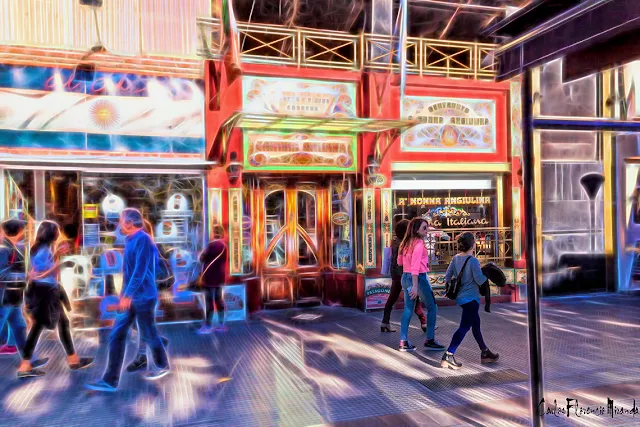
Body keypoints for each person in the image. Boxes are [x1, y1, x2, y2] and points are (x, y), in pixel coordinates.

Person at [87, 208, 170, 392]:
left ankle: (162, 365)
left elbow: (139, 272)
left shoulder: (143, 240)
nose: (118, 225)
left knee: (148, 334)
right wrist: (124, 295)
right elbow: (129, 272)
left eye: (121, 221)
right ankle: (110, 380)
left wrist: (127, 295)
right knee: (117, 335)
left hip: (143, 297)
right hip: (131, 298)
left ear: (129, 223)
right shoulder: (129, 240)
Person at [18, 220, 94, 378]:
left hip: (44, 291)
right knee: (38, 327)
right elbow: (42, 273)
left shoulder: (39, 248)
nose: (59, 233)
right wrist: (60, 261)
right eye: (56, 230)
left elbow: (40, 268)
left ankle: (73, 359)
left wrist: (56, 254)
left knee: (62, 323)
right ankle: (25, 366)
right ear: (51, 233)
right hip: (46, 292)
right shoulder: (44, 249)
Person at [441, 232, 499, 370]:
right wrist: (488, 273)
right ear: (472, 244)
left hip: (461, 297)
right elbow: (479, 279)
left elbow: (447, 276)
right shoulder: (473, 260)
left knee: (476, 324)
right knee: (464, 327)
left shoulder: (455, 258)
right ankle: (449, 354)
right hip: (471, 298)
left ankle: (485, 353)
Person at [0, 219, 48, 368]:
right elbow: (1, 274)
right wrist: (25, 276)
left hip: (13, 298)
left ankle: (30, 360)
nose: (25, 233)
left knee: (20, 327)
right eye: (23, 230)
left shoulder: (12, 248)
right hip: (5, 298)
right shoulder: (4, 250)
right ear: (17, 231)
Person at [126, 220, 171, 373]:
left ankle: (152, 360)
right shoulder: (149, 246)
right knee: (142, 326)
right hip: (145, 293)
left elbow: (141, 273)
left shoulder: (148, 247)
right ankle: (150, 350)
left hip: (147, 293)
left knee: (144, 327)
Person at [397, 218, 445, 352]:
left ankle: (403, 341)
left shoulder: (405, 243)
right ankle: (430, 339)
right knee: (432, 307)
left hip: (405, 277)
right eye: (424, 228)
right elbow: (415, 266)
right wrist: (415, 285)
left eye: (427, 227)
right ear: (416, 229)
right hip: (418, 278)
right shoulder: (418, 244)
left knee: (408, 308)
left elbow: (400, 262)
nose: (427, 230)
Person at [380, 219, 427, 333]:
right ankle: (424, 323)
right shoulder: (408, 243)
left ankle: (385, 322)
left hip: (395, 273)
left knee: (392, 298)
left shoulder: (395, 241)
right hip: (406, 273)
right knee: (414, 298)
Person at [194, 225, 228, 334]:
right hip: (220, 278)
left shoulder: (210, 246)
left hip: (208, 278)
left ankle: (208, 326)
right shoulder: (224, 246)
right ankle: (221, 324)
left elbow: (202, 259)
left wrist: (199, 255)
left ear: (213, 233)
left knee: (209, 302)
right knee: (219, 300)